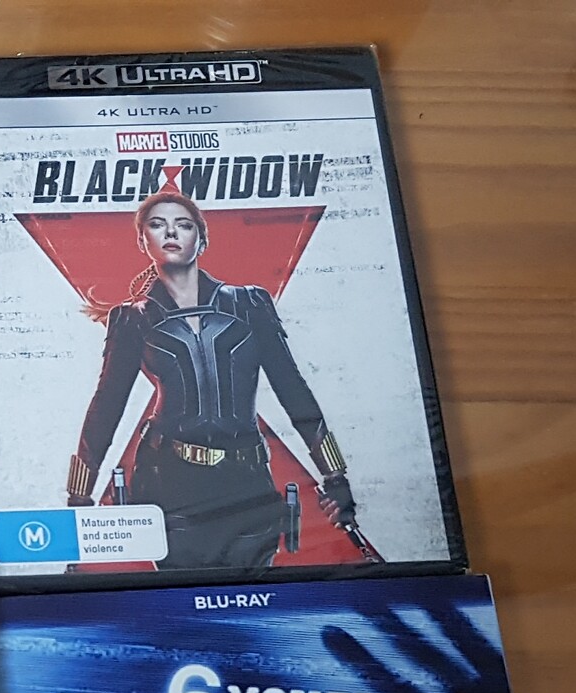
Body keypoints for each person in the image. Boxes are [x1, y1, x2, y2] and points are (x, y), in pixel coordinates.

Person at [68, 176, 360, 572]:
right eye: (157, 224)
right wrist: (79, 496)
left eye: (183, 224)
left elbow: (292, 389)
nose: (171, 232)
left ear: (201, 240)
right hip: (168, 484)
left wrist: (335, 476)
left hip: (247, 484)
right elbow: (107, 406)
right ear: (142, 241)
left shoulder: (251, 303)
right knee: (183, 596)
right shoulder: (131, 318)